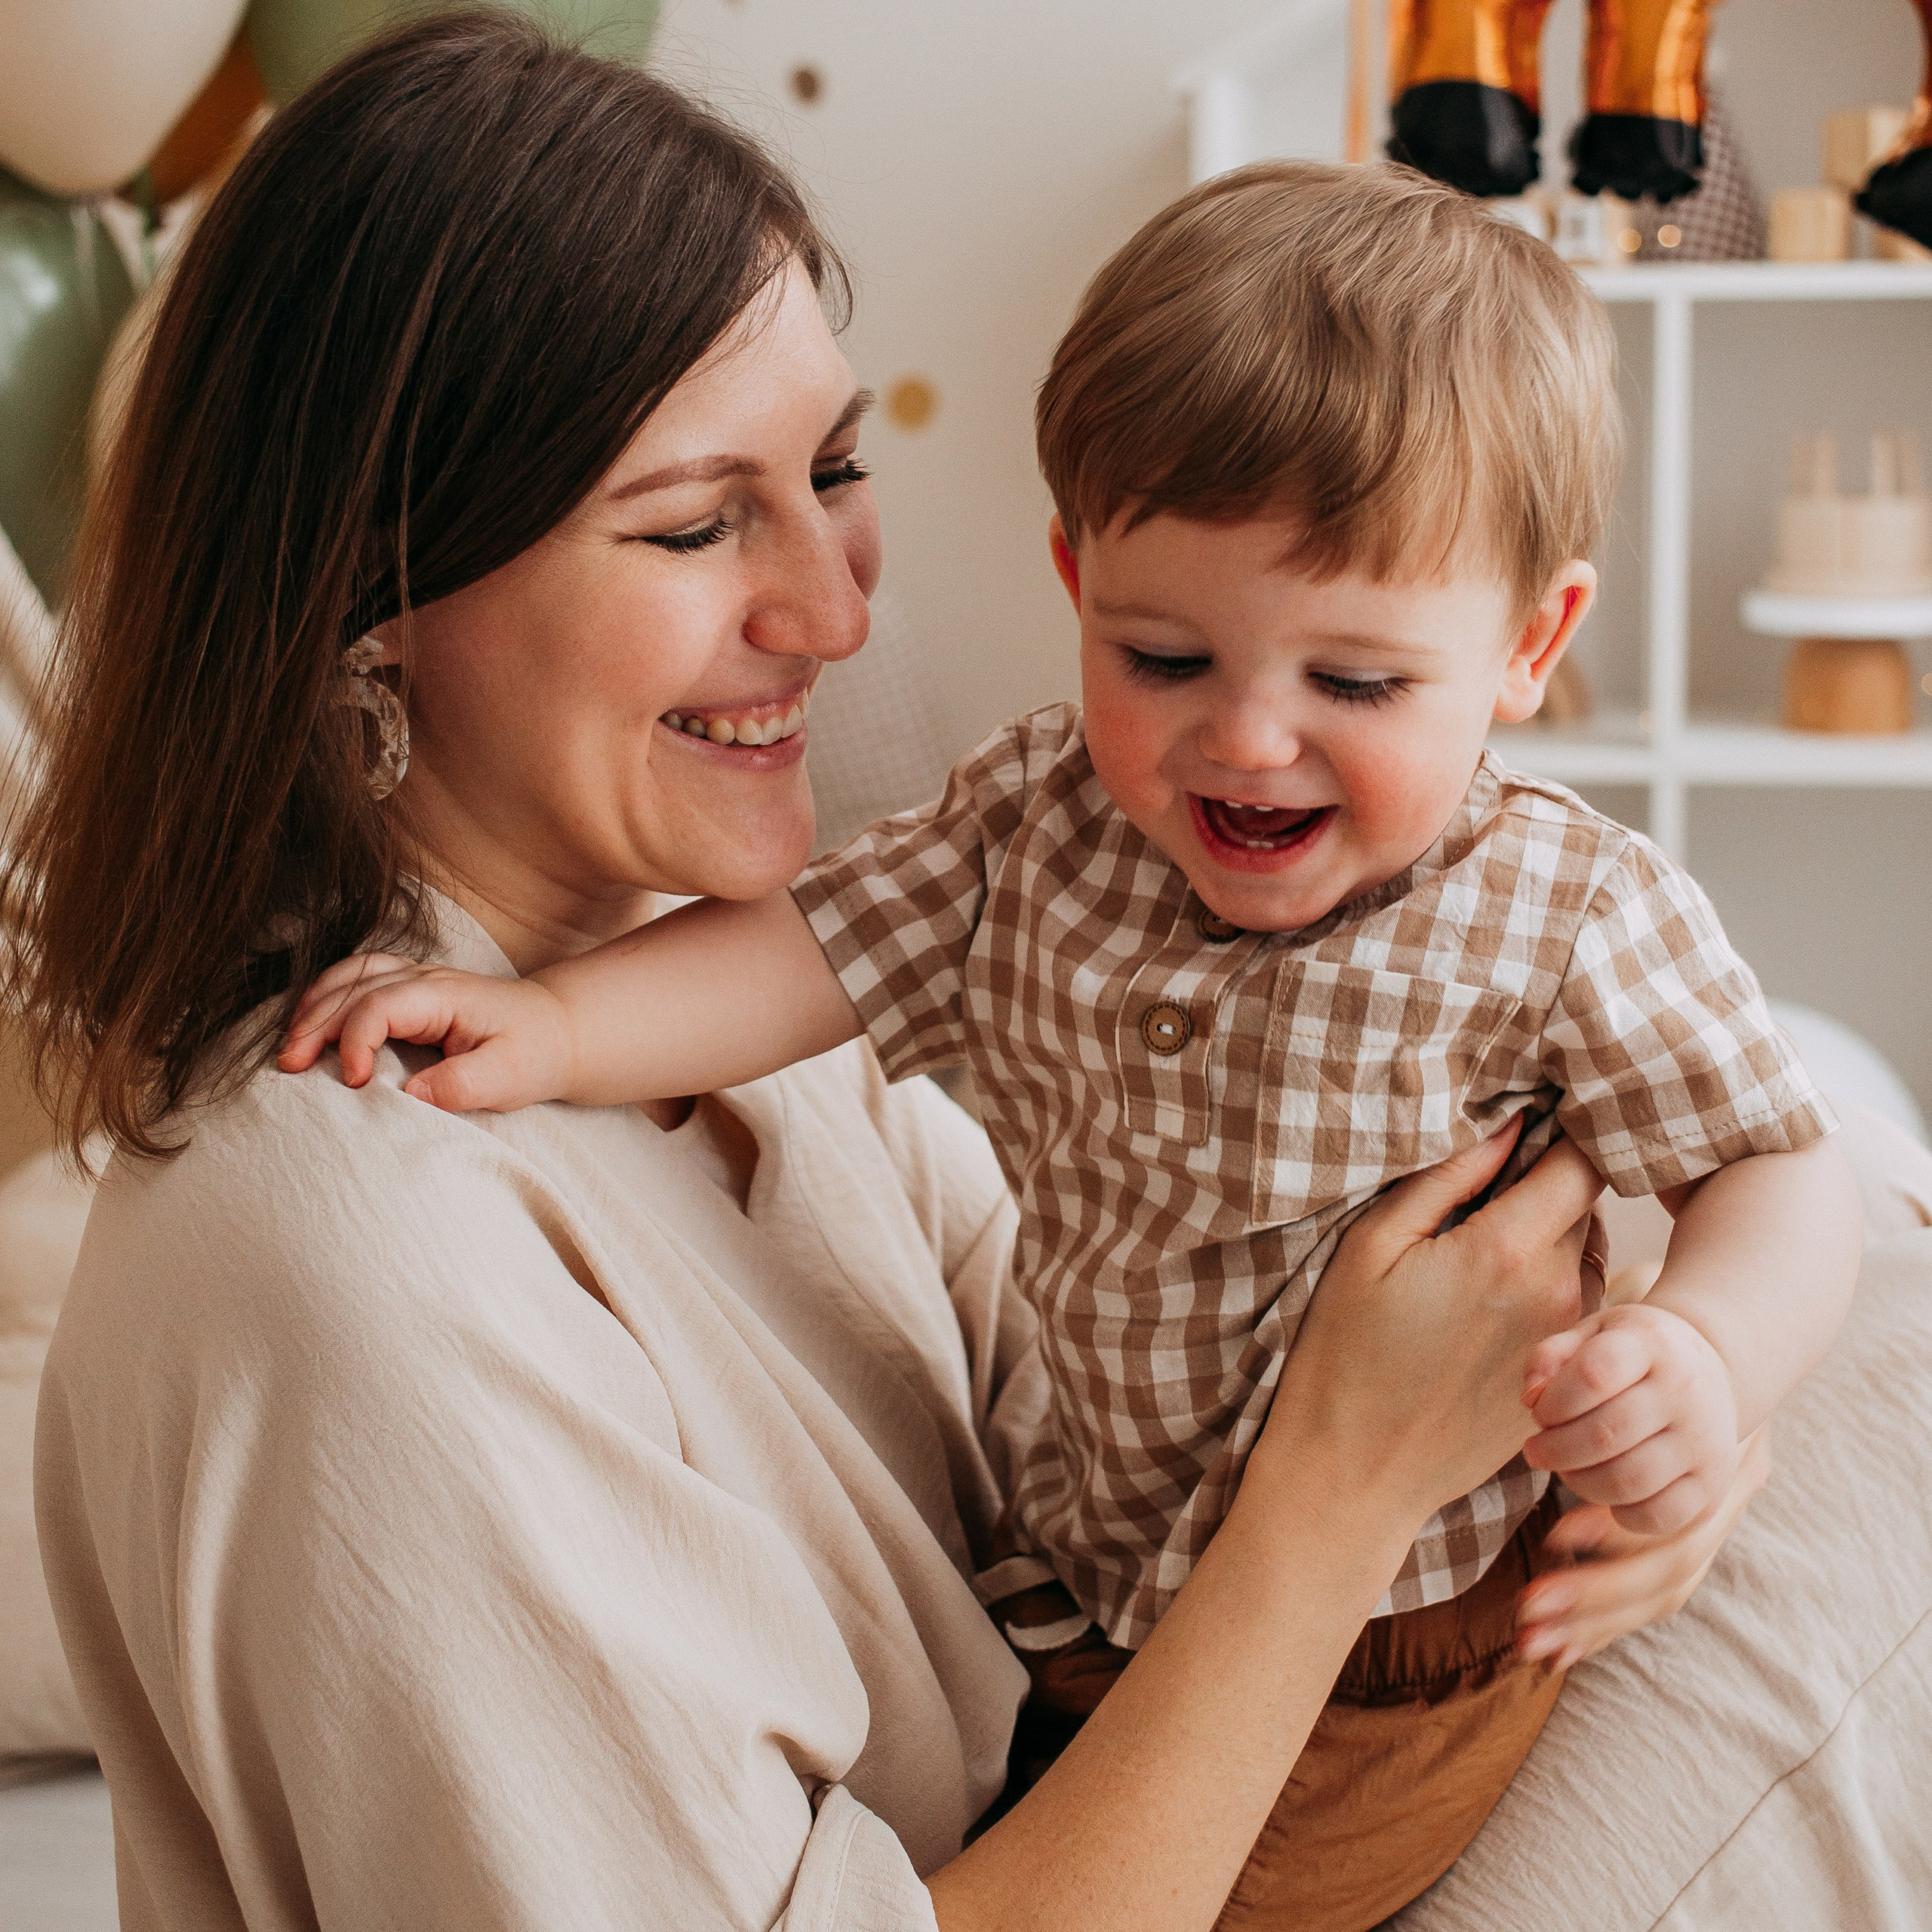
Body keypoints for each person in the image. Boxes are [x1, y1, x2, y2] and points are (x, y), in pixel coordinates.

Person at [8, 18, 1767, 1930]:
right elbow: (1271, 1488)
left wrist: (1640, 1433)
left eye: (833, 468)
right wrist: (1345, 1489)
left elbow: (1106, 1418)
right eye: (693, 523)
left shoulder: (760, 1027)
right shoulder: (352, 1262)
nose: (838, 611)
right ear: (364, 585)